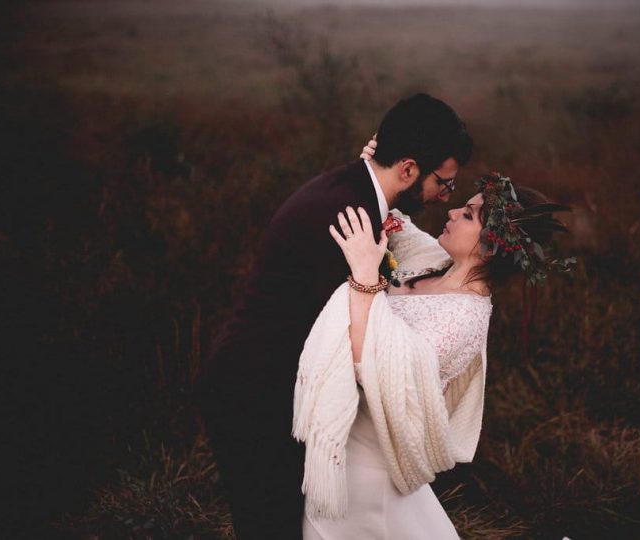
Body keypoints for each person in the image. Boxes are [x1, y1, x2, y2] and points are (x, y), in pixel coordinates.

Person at [193, 94, 473, 539]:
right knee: (271, 527)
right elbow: (358, 334)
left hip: (264, 382)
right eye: (444, 181)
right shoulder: (351, 218)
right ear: (407, 168)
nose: (445, 194)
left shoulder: (355, 191)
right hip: (256, 392)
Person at [293, 142, 571, 538]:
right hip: (345, 445)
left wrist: (364, 276)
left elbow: (373, 371)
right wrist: (376, 167)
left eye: (470, 214)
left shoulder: (464, 319)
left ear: (491, 245)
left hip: (368, 469)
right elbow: (390, 214)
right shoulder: (434, 262)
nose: (454, 212)